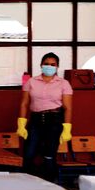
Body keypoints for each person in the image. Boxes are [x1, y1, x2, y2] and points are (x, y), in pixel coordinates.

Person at [17, 52, 73, 180]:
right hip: (35, 120)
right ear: (41, 65)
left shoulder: (64, 83)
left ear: (57, 67)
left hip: (54, 120)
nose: (49, 66)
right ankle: (27, 184)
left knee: (49, 155)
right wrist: (21, 124)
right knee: (29, 153)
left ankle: (50, 186)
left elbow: (68, 107)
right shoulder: (31, 82)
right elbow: (24, 104)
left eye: (53, 65)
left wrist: (67, 129)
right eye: (46, 64)